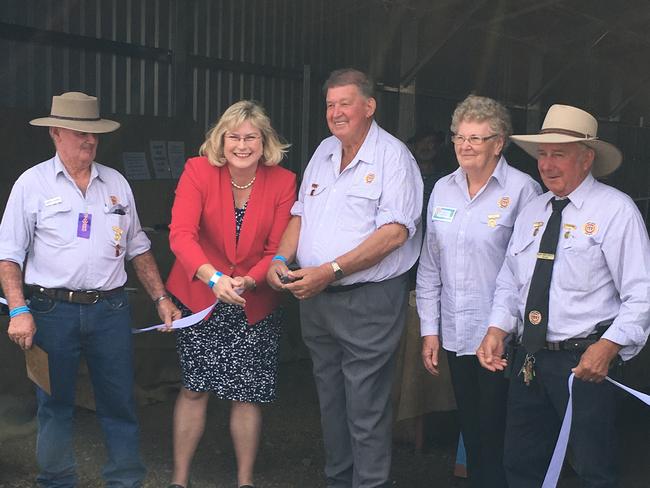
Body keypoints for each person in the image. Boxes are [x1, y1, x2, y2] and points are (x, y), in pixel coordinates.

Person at [0, 91, 180, 487]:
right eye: (79, 132)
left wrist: (161, 298)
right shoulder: (31, 184)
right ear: (55, 133)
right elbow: (9, 255)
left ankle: (125, 481)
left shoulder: (114, 183)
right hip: (50, 311)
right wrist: (18, 309)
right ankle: (57, 481)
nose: (88, 140)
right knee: (54, 405)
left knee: (119, 402)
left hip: (110, 311)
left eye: (94, 133)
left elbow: (139, 248)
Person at [477, 104, 650, 487]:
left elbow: (642, 293)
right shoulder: (533, 212)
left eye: (560, 154)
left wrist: (609, 346)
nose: (548, 164)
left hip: (584, 363)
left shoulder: (615, 212)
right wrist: (497, 328)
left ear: (587, 159)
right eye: (543, 154)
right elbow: (510, 280)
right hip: (529, 359)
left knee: (592, 469)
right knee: (522, 464)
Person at [267, 68, 423, 488]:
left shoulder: (394, 158)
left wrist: (330, 270)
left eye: (345, 103)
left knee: (366, 406)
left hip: (367, 301)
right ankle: (339, 480)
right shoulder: (324, 151)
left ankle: (369, 483)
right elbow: (301, 213)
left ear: (369, 107)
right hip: (316, 299)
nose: (335, 113)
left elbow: (395, 232)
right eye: (330, 104)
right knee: (331, 402)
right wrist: (281, 256)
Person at [164, 100, 296, 488]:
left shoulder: (284, 181)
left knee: (247, 395)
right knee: (193, 389)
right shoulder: (197, 170)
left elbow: (278, 248)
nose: (242, 145)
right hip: (201, 295)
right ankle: (179, 479)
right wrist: (213, 278)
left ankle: (245, 481)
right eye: (233, 136)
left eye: (251, 137)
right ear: (220, 140)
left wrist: (251, 281)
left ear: (264, 141)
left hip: (254, 300)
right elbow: (180, 234)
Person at [416, 95, 541, 488]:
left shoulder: (524, 191)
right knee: (471, 426)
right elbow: (430, 265)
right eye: (459, 137)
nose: (465, 145)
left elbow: (530, 269)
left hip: (503, 335)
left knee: (500, 429)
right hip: (455, 330)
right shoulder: (442, 190)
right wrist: (429, 330)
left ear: (498, 143)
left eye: (476, 138)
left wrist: (504, 327)